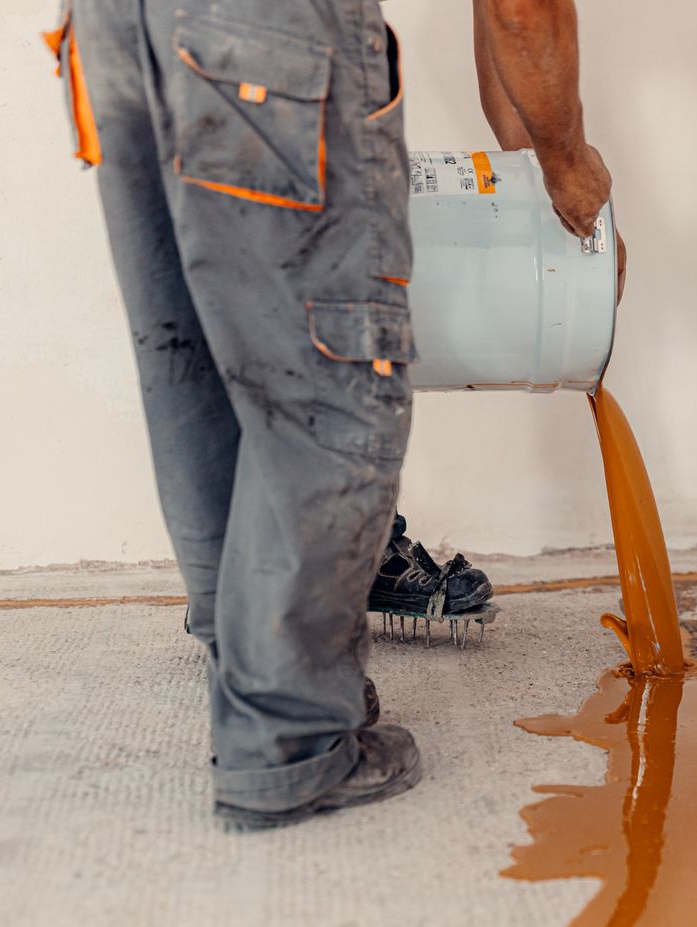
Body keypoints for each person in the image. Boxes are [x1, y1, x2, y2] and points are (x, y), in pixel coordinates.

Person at [48, 0, 616, 828]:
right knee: (326, 372)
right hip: (261, 34)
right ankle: (290, 739)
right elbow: (523, 9)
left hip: (111, 32)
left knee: (201, 357)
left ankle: (250, 670)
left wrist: (535, 170)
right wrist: (569, 168)